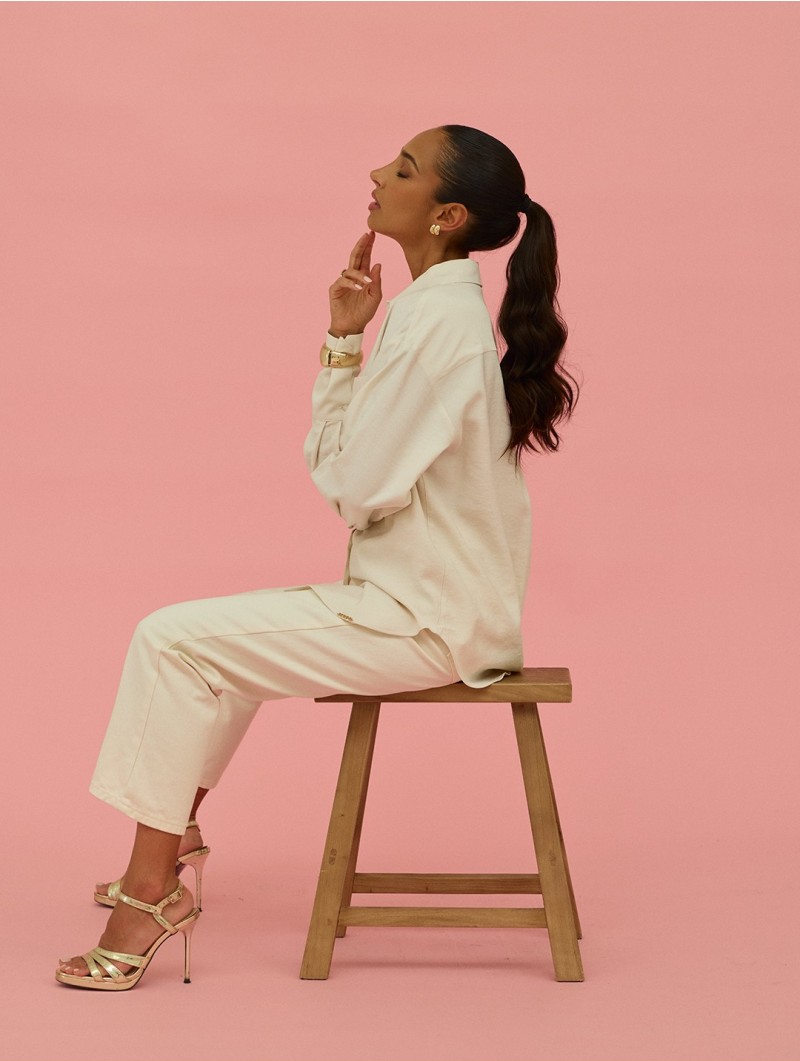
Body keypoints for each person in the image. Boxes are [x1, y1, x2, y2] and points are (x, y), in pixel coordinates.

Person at [55, 124, 577, 989]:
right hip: (416, 601)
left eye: (403, 168)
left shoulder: (439, 327)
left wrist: (340, 364)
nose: (377, 173)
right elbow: (361, 474)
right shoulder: (430, 313)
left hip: (425, 621)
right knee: (212, 654)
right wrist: (343, 338)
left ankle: (151, 895)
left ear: (446, 215)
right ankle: (171, 842)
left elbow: (355, 488)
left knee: (170, 639)